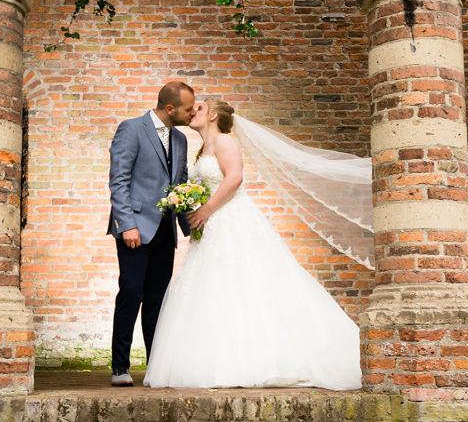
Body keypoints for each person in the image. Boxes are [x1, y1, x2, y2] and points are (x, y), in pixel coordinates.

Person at [142, 99, 362, 390]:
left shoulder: (225, 143)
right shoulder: (202, 150)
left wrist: (205, 210)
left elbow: (234, 178)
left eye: (199, 107)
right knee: (212, 288)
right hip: (211, 229)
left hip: (232, 221)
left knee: (246, 283)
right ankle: (215, 360)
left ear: (213, 115)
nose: (193, 110)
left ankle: (264, 360)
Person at [107, 81, 196, 386]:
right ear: (170, 108)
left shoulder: (182, 140)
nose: (192, 112)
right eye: (188, 108)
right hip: (135, 228)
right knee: (132, 292)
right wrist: (126, 224)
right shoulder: (131, 129)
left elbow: (181, 188)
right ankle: (120, 366)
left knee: (158, 299)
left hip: (165, 231)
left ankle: (156, 366)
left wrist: (190, 228)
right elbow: (118, 180)